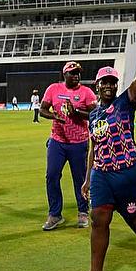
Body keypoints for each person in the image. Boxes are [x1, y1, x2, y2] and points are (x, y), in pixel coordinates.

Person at [66, 23, 136, 271]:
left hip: (128, 173)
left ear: (116, 85)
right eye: (104, 82)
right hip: (101, 174)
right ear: (97, 86)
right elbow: (94, 147)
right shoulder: (95, 114)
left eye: (112, 82)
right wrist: (87, 178)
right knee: (99, 219)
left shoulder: (125, 102)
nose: (108, 86)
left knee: (133, 217)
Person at [40, 62, 96, 230]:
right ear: (64, 74)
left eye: (78, 73)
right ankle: (55, 214)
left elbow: (95, 114)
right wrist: (53, 116)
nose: (76, 76)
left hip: (78, 142)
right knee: (52, 175)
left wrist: (76, 113)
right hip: (57, 140)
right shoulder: (53, 89)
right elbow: (42, 109)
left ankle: (83, 211)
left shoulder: (86, 92)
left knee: (79, 178)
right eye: (72, 73)